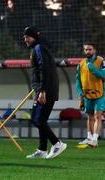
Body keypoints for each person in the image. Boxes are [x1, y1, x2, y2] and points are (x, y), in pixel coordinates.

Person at [23, 26, 67, 159]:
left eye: (27, 37)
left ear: (34, 37)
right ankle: (42, 150)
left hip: (45, 91)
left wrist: (42, 91)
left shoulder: (39, 48)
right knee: (41, 119)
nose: (25, 39)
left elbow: (44, 69)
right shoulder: (38, 48)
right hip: (45, 89)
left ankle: (57, 143)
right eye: (24, 37)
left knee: (37, 119)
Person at [76, 43, 105, 148]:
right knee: (91, 116)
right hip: (88, 96)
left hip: (100, 94)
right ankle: (90, 137)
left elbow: (104, 75)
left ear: (94, 50)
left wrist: (93, 69)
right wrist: (80, 93)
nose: (88, 51)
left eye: (90, 49)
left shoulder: (100, 61)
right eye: (86, 49)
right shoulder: (81, 64)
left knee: (99, 115)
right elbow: (78, 81)